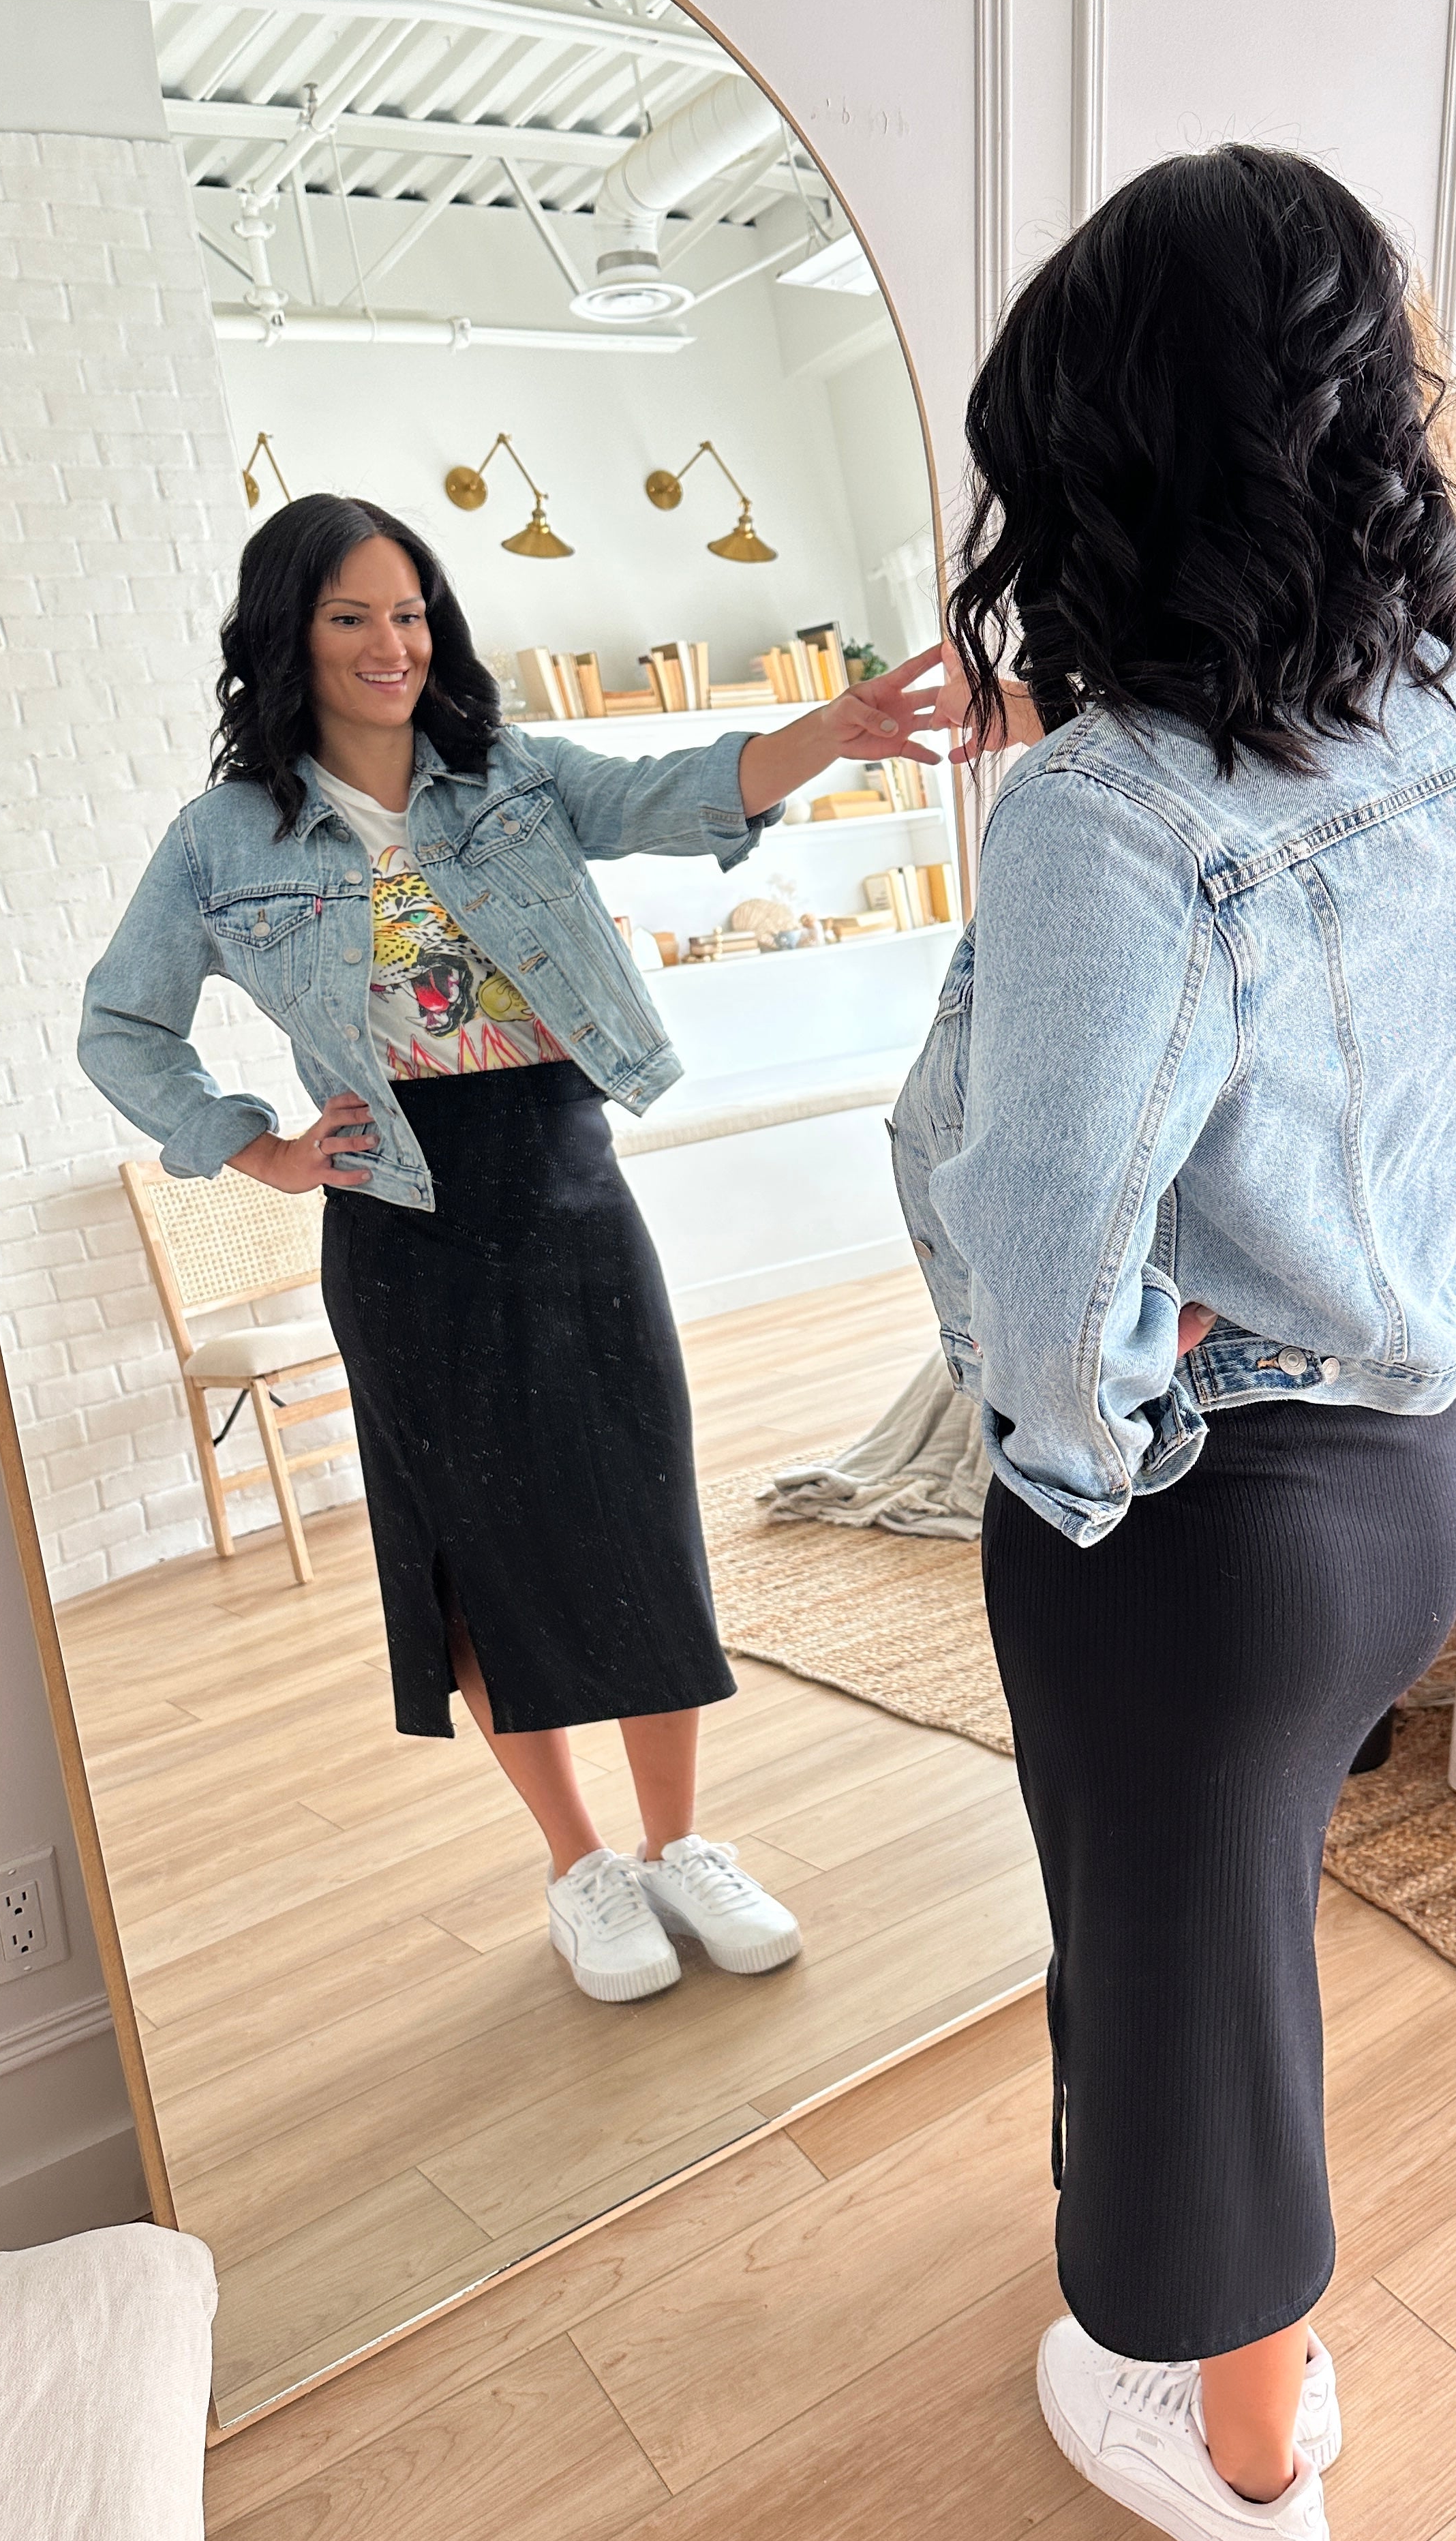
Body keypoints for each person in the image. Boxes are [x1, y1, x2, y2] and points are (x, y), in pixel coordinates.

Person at [891, 147, 1456, 2541]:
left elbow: (1051, 1242)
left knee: (1188, 2007)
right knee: (1230, 1946)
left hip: (1205, 1521)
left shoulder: (1111, 813)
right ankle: (1242, 2341)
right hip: (1401, 1474)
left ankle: (1248, 2456)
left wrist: (1080, 1460)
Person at [81, 494, 941, 2005]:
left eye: (409, 612)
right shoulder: (223, 840)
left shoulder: (512, 776)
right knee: (476, 1552)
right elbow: (121, 1024)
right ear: (288, 634)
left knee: (637, 1511)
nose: (390, 643)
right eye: (351, 615)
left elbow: (682, 788)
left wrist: (831, 731)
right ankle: (580, 1867)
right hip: (398, 1219)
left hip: (563, 1179)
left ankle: (681, 1846)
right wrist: (259, 1148)